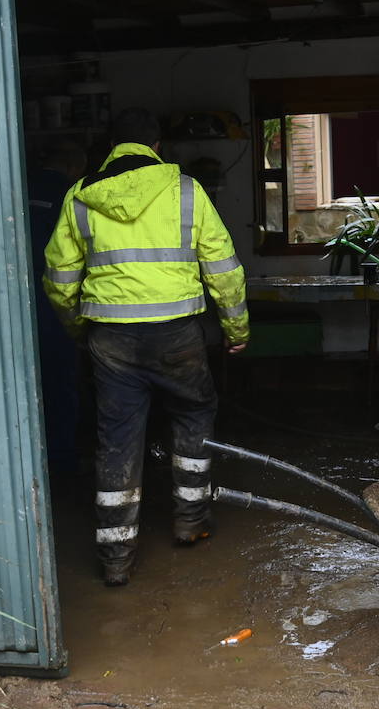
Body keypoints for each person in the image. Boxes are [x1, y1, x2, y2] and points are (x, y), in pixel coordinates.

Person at [43, 108, 249, 586]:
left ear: (112, 148)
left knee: (116, 436)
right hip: (178, 334)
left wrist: (81, 330)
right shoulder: (186, 192)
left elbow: (58, 280)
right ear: (157, 147)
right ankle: (190, 522)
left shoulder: (80, 196)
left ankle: (116, 557)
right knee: (194, 415)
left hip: (110, 337)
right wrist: (236, 331)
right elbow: (224, 271)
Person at [29, 140, 87, 482]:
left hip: (12, 299)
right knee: (61, 381)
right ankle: (62, 463)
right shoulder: (72, 195)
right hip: (54, 300)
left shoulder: (20, 186)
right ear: (75, 168)